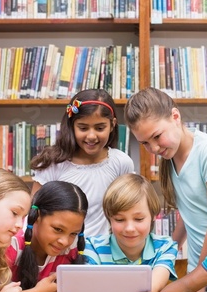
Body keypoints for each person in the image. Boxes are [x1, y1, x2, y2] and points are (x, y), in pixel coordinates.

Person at [124, 87, 207, 292]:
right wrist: (165, 252)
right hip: (202, 270)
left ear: (175, 116)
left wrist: (197, 282)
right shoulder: (170, 158)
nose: (154, 148)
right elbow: (188, 214)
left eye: (157, 137)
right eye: (145, 143)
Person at [46, 173, 178, 292]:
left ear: (154, 216)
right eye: (120, 219)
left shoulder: (165, 246)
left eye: (139, 219)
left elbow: (152, 287)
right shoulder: (93, 246)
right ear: (109, 218)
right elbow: (86, 290)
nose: (129, 228)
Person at [30, 89, 134, 237]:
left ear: (112, 125)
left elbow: (129, 209)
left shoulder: (121, 163)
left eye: (100, 128)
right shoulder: (53, 163)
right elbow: (34, 211)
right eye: (83, 128)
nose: (91, 136)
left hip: (104, 251)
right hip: (61, 249)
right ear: (72, 126)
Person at [6, 181, 88, 292]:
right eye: (58, 229)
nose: (65, 242)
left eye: (73, 233)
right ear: (37, 216)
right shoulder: (11, 243)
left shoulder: (72, 250)